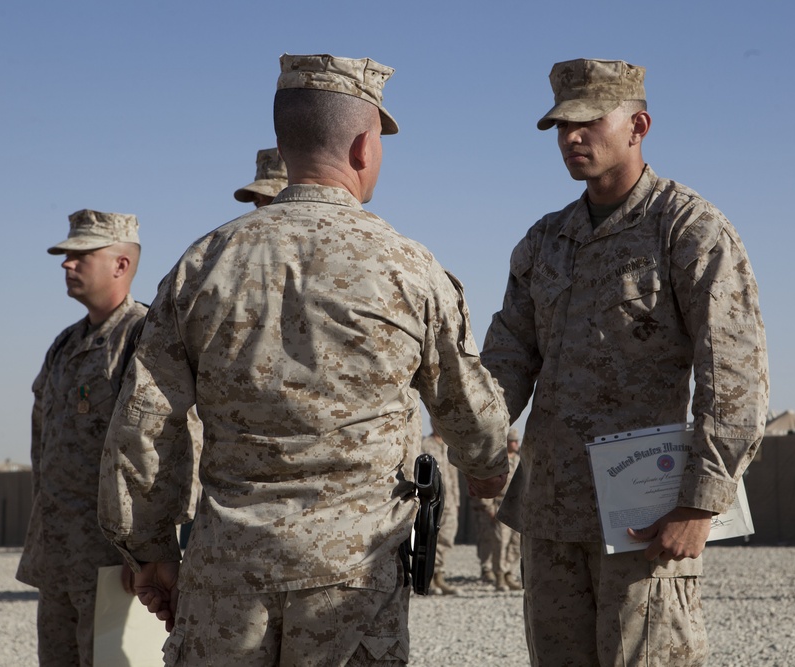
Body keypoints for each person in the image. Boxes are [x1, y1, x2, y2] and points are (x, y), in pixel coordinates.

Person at [98, 53, 509, 666]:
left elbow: (144, 423)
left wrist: (150, 548)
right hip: (352, 581)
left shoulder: (203, 264)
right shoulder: (408, 268)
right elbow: (469, 411)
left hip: (227, 573)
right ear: (365, 147)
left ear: (284, 146)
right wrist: (489, 464)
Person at [480, 58, 769, 666]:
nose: (571, 138)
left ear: (638, 125)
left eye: (587, 122)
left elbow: (735, 375)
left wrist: (700, 502)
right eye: (560, 126)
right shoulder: (545, 240)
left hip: (647, 511)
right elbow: (506, 357)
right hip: (552, 508)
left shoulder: (688, 229)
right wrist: (473, 440)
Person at [16, 209, 145, 666]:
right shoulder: (65, 344)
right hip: (58, 553)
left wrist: (148, 548)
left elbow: (169, 447)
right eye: (66, 256)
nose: (66, 265)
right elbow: (42, 443)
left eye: (81, 255)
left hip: (111, 561)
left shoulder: (142, 339)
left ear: (120, 265)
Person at [419, 430, 462, 595]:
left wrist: (457, 501)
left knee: (448, 537)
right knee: (430, 537)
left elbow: (453, 475)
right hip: (432, 500)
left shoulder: (449, 445)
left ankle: (439, 574)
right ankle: (429, 577)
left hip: (449, 500)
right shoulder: (425, 444)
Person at [486, 428, 522, 592]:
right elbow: (488, 485)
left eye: (517, 441)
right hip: (501, 504)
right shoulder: (499, 461)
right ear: (506, 442)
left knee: (515, 543)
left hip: (519, 506)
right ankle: (499, 575)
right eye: (513, 441)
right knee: (501, 542)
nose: (516, 443)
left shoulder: (521, 460)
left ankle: (509, 573)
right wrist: (489, 508)